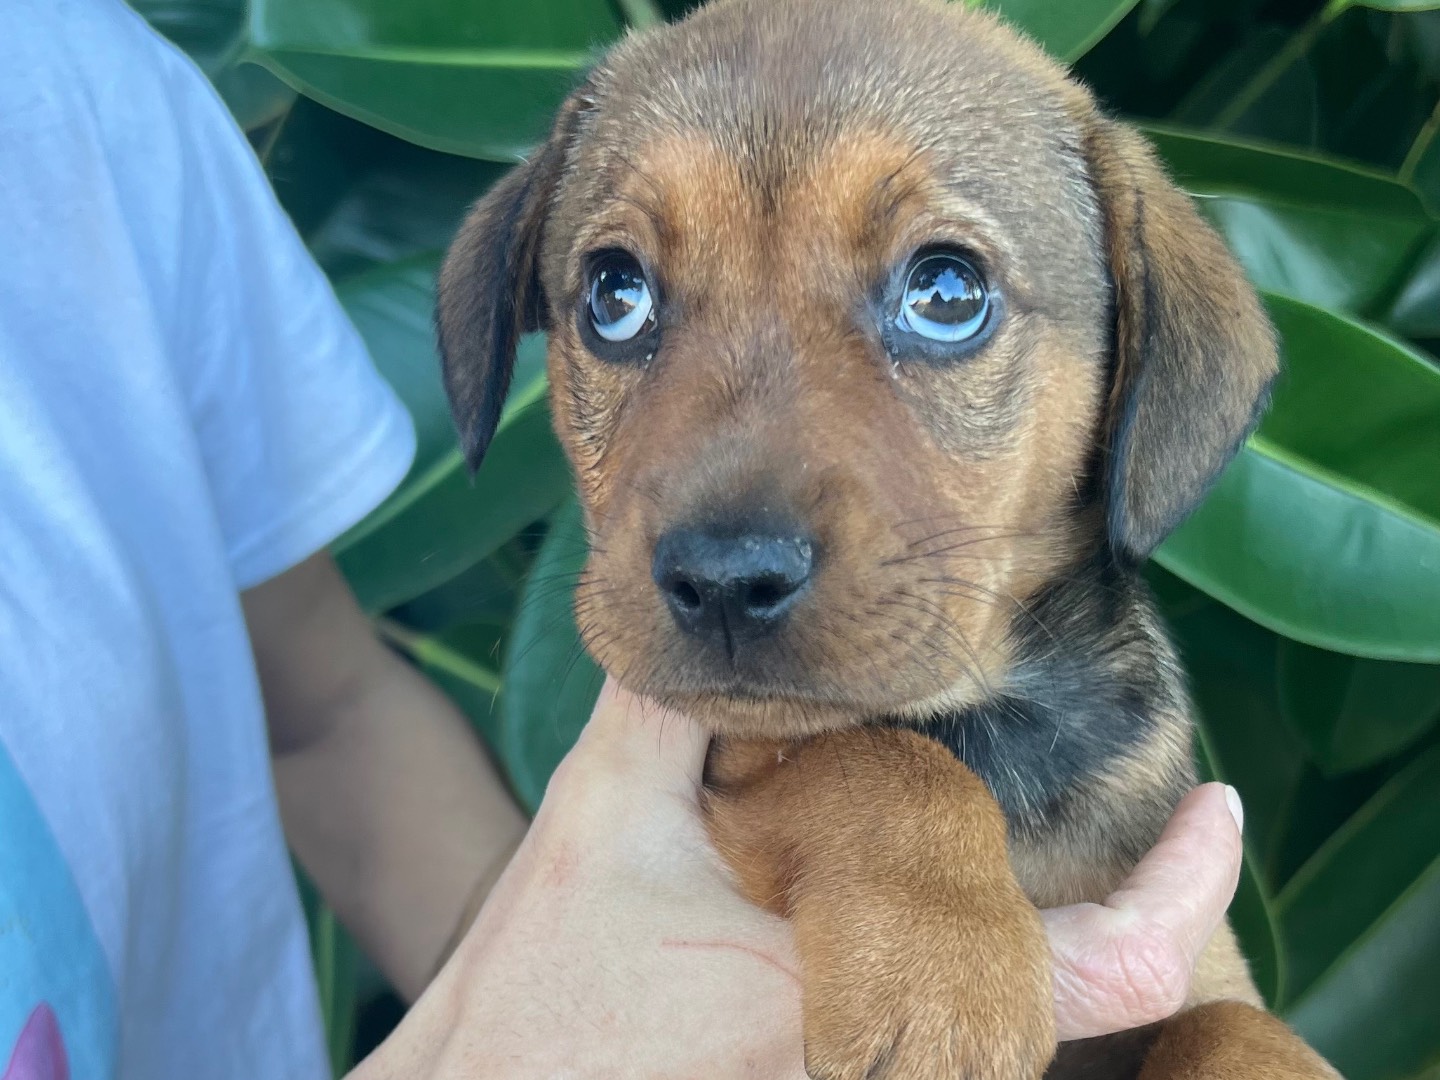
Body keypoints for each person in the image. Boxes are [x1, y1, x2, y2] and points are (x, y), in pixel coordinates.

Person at [0, 1, 1247, 1077]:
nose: (732, 536)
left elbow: (320, 716)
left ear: (1136, 354)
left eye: (943, 292)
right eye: (622, 295)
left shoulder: (70, 94)